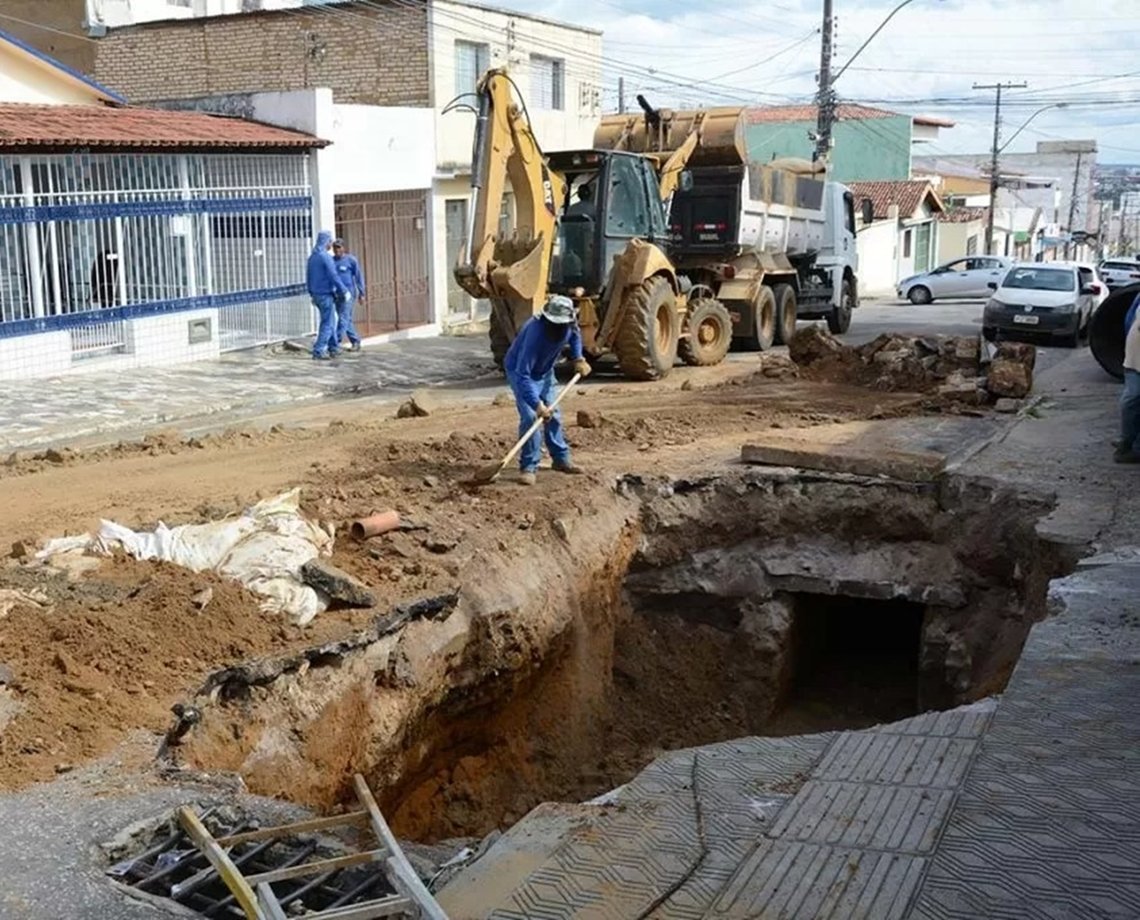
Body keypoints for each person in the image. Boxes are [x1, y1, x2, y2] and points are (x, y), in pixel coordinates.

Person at [503, 295, 592, 485]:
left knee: (555, 414)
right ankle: (528, 467)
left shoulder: (569, 324)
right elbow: (523, 376)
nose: (558, 327)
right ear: (547, 318)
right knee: (530, 417)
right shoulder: (534, 334)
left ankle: (560, 459)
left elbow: (575, 335)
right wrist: (537, 404)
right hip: (520, 371)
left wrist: (578, 358)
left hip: (545, 371)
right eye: (554, 322)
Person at [306, 230, 348, 360]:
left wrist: (311, 293)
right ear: (326, 242)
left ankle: (333, 347)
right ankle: (318, 350)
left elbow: (308, 277)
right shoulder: (325, 257)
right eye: (330, 241)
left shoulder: (313, 257)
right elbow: (333, 276)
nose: (331, 244)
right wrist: (344, 290)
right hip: (325, 294)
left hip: (317, 295)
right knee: (328, 323)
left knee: (331, 320)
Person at [1115, 290, 1140, 464]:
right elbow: (1129, 321)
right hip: (1135, 358)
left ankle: (1135, 446)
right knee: (1131, 398)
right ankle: (1126, 442)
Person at [332, 239, 365, 352]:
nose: (337, 250)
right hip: (337, 294)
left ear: (343, 248)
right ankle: (355, 341)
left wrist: (362, 293)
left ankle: (335, 343)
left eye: (339, 247)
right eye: (335, 247)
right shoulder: (331, 261)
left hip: (349, 294)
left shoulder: (351, 260)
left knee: (343, 318)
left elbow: (358, 276)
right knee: (347, 319)